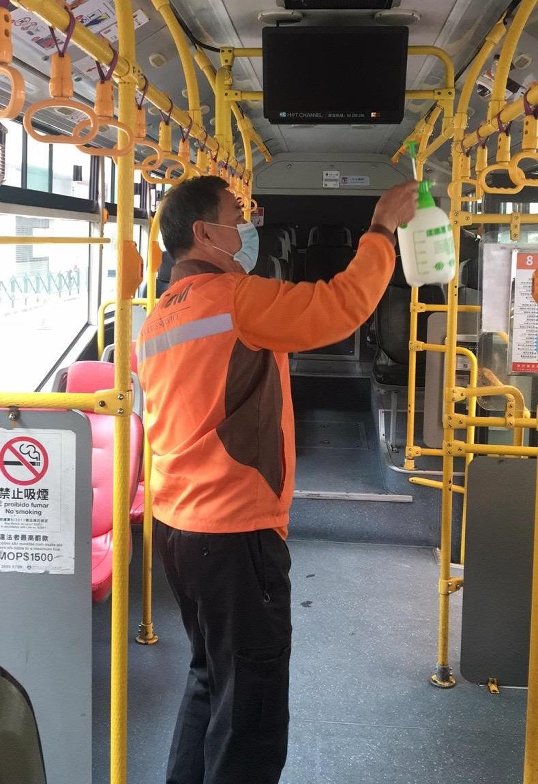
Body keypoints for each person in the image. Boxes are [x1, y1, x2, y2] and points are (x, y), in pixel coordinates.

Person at [136, 175, 418, 784]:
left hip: (176, 526)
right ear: (205, 233)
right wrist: (381, 228)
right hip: (233, 530)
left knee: (211, 679)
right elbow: (340, 306)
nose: (247, 227)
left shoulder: (158, 315)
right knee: (251, 712)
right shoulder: (233, 298)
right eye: (236, 216)